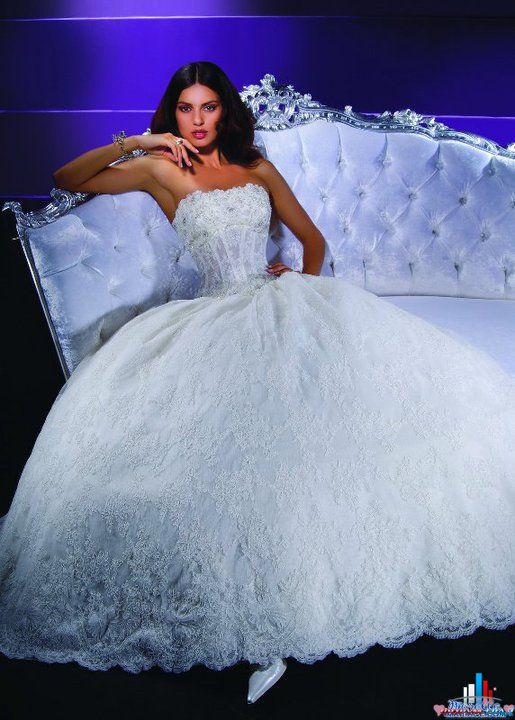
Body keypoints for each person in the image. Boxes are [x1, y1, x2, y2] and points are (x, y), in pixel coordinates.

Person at [0, 60, 514, 706]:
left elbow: (312, 240)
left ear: (225, 112)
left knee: (333, 418)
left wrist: (298, 283)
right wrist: (139, 141)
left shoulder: (258, 169)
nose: (197, 120)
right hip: (211, 313)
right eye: (185, 108)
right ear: (173, 114)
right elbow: (65, 179)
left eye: (208, 107)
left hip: (279, 302)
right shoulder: (161, 170)